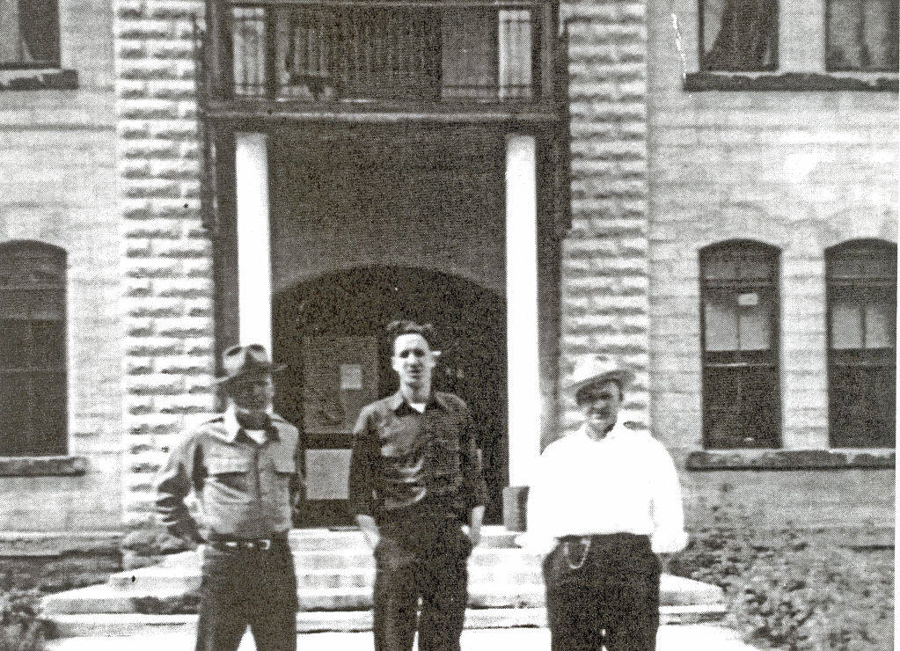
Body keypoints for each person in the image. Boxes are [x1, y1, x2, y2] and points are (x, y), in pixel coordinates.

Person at [525, 355, 688, 651]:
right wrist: (551, 558)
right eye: (588, 398)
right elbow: (539, 513)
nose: (597, 405)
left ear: (620, 399)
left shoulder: (647, 450)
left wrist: (655, 555)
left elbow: (668, 507)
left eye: (605, 396)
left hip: (630, 562)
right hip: (573, 562)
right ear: (578, 403)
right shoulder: (558, 454)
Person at [348, 320, 488, 651]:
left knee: (444, 639)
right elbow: (357, 493)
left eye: (420, 353)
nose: (413, 360)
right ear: (394, 363)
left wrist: (474, 532)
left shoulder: (456, 410)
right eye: (405, 354)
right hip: (398, 541)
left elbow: (473, 477)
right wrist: (378, 544)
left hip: (446, 540)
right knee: (393, 640)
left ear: (433, 359)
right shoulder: (374, 416)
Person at [155, 344, 301, 651]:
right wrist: (196, 541)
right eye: (244, 386)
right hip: (227, 563)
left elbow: (295, 488)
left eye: (262, 383)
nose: (255, 393)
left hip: (274, 561)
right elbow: (167, 494)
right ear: (229, 392)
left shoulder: (288, 435)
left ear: (272, 387)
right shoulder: (203, 437)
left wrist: (280, 521)